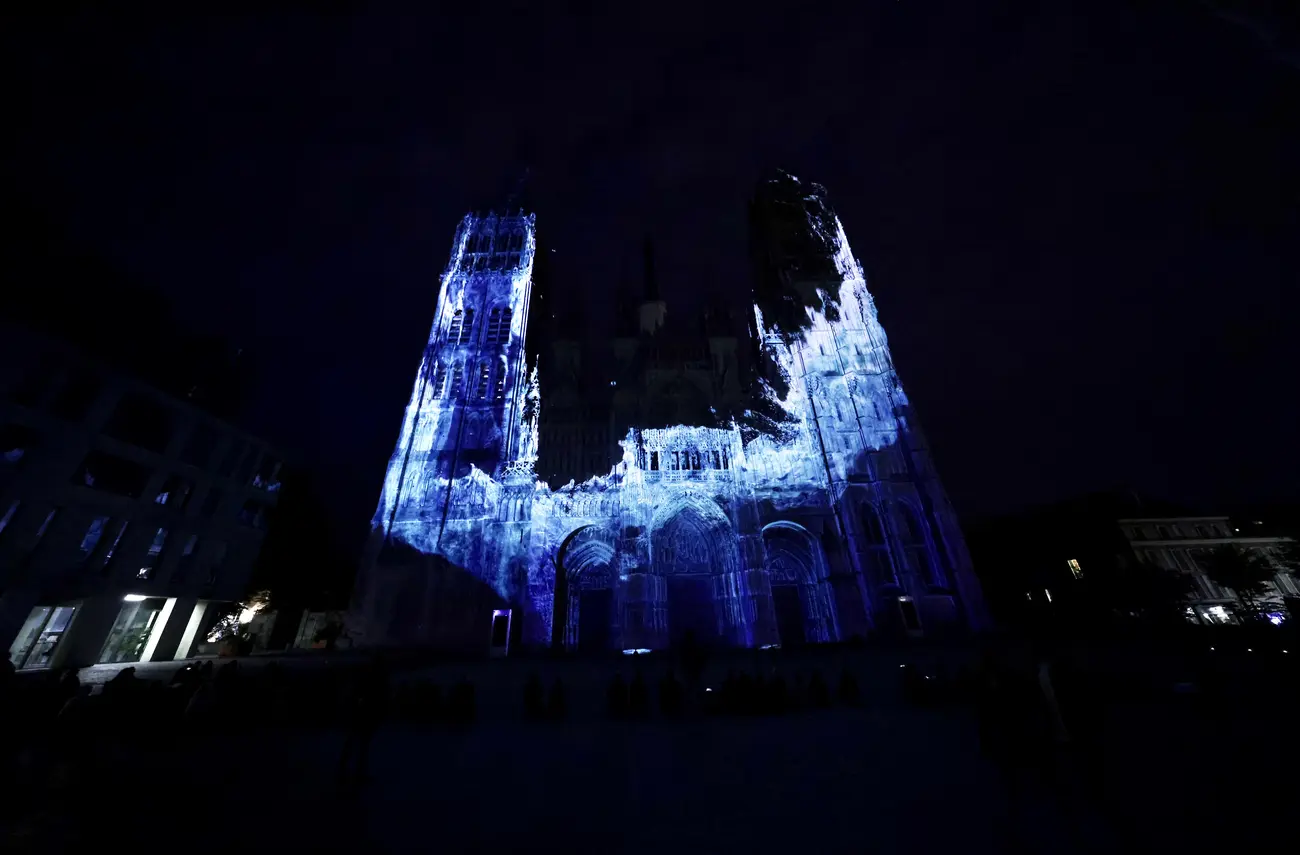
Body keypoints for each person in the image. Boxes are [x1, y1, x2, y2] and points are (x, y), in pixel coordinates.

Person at [339, 655, 389, 786]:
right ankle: (353, 771)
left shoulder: (367, 678)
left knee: (355, 744)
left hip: (362, 715)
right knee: (360, 745)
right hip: (365, 715)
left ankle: (347, 769)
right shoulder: (376, 680)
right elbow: (379, 699)